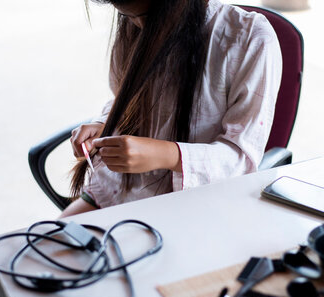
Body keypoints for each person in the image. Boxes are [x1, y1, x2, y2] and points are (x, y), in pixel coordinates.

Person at [60, 0, 282, 218]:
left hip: (195, 206)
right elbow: (124, 99)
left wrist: (166, 155)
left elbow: (241, 159)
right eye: (128, 16)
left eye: (146, 17)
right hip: (118, 191)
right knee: (40, 248)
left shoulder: (250, 40)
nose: (140, 26)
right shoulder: (132, 28)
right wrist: (104, 124)